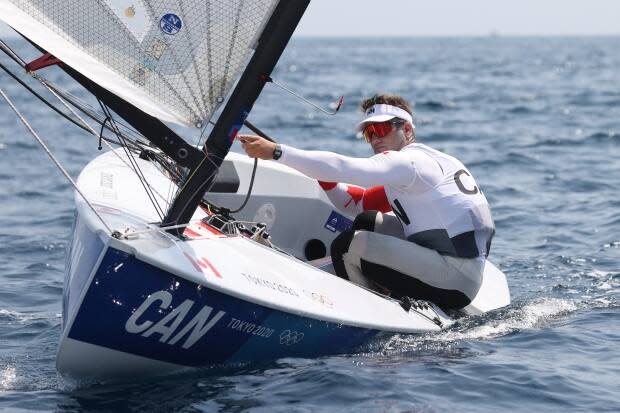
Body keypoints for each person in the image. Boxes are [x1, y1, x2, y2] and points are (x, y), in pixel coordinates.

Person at [238, 94, 495, 310]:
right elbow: (356, 204)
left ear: (407, 130)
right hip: (461, 270)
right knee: (367, 220)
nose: (375, 139)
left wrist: (277, 152)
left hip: (455, 280)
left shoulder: (409, 162)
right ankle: (380, 287)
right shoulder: (424, 166)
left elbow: (343, 166)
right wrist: (323, 177)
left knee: (347, 246)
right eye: (369, 134)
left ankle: (368, 310)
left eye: (382, 129)